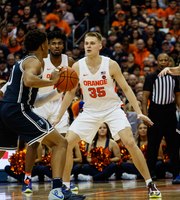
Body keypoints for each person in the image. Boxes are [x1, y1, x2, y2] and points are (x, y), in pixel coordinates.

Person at [52, 31, 161, 198]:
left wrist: (139, 112)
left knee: (130, 142)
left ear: (100, 46)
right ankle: (65, 187)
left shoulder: (110, 64)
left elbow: (126, 89)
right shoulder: (77, 67)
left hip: (112, 109)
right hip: (89, 111)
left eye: (92, 43)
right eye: (86, 43)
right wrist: (59, 116)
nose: (88, 45)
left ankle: (150, 183)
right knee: (66, 143)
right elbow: (69, 93)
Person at [0, 30, 69, 200]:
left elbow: (34, 101)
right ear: (43, 45)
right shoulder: (34, 62)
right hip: (16, 109)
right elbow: (28, 80)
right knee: (60, 143)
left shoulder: (27, 61)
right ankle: (57, 191)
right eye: (48, 42)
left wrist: (56, 91)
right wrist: (53, 81)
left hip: (6, 109)